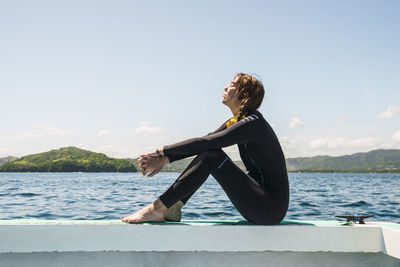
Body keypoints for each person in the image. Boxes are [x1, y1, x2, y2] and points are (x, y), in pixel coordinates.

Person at [121, 73, 289, 225]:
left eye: (232, 85)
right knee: (209, 151)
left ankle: (158, 208)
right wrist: (166, 158)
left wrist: (161, 153)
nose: (225, 87)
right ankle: (173, 206)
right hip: (260, 204)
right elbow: (206, 141)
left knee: (211, 155)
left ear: (243, 94)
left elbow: (206, 143)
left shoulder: (253, 123)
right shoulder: (238, 120)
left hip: (270, 209)